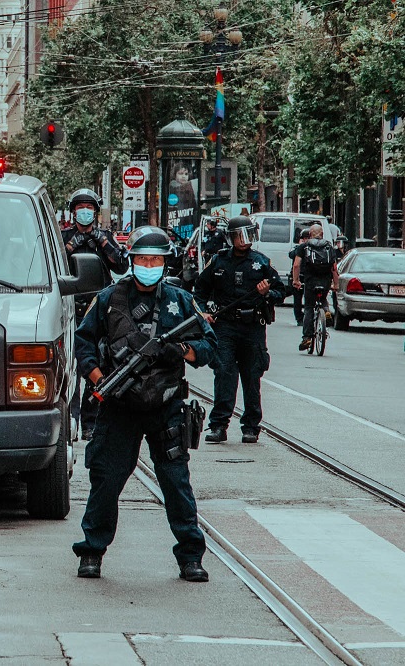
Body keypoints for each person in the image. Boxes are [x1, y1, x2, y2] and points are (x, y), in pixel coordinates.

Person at [73, 226, 217, 582]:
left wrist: (180, 349)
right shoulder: (109, 298)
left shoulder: (180, 302)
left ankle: (190, 556)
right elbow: (84, 344)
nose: (147, 265)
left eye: (154, 259)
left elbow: (209, 346)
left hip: (165, 405)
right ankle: (91, 551)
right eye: (141, 259)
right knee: (105, 480)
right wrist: (98, 381)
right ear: (131, 262)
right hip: (119, 407)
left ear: (165, 263)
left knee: (175, 482)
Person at [194, 216, 286, 444]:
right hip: (224, 325)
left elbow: (281, 292)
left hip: (252, 327)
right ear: (231, 237)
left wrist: (267, 293)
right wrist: (204, 313)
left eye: (248, 235)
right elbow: (199, 291)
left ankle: (251, 426)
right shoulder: (218, 261)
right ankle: (218, 426)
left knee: (251, 376)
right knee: (224, 374)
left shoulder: (261, 262)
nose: (244, 241)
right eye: (240, 236)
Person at [63, 187, 129, 441]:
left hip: (99, 310)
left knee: (96, 365)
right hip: (71, 308)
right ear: (73, 212)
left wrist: (102, 242)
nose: (85, 212)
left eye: (89, 208)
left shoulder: (105, 237)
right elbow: (54, 263)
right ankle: (72, 419)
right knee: (71, 368)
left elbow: (121, 265)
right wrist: (71, 245)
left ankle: (91, 422)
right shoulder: (64, 237)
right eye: (80, 208)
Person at [292, 224, 340, 351]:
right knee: (323, 298)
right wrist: (336, 284)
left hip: (310, 281)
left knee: (308, 307)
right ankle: (326, 311)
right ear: (322, 234)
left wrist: (296, 280)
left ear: (310, 235)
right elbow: (334, 268)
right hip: (325, 280)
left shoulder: (304, 246)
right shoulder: (329, 246)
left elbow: (296, 265)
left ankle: (307, 338)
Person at [167, 163, 198, 234]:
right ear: (175, 175)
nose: (183, 176)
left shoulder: (189, 188)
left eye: (186, 174)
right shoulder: (173, 187)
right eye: (180, 174)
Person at [289, 228, 311, 326]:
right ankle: (299, 318)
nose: (306, 240)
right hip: (298, 276)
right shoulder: (297, 248)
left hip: (308, 276)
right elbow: (291, 255)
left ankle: (308, 317)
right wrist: (301, 246)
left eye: (308, 238)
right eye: (304, 238)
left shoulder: (312, 248)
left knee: (309, 300)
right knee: (297, 299)